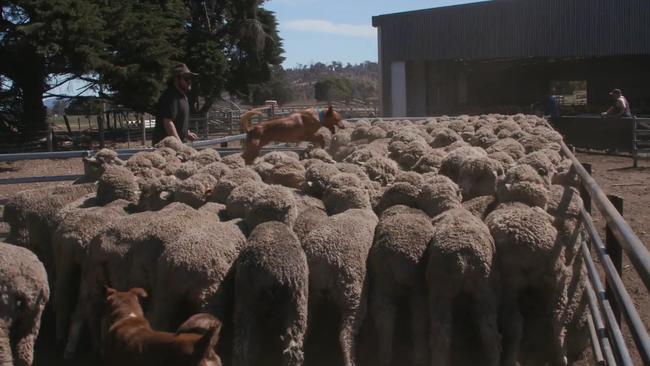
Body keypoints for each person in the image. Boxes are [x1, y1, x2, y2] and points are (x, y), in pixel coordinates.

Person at [152, 63, 199, 145]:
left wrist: (186, 133)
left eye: (190, 78)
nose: (189, 81)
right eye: (186, 78)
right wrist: (179, 145)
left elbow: (178, 120)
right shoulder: (170, 96)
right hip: (165, 147)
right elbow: (167, 122)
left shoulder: (181, 96)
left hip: (175, 146)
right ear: (176, 79)